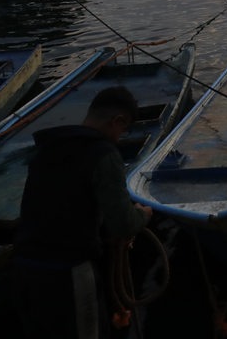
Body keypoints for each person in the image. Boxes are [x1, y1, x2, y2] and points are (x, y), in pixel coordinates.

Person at [13, 86, 153, 339]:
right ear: (117, 121)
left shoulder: (48, 147)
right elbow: (123, 224)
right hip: (69, 273)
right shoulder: (104, 154)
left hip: (26, 268)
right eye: (124, 130)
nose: (121, 137)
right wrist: (143, 214)